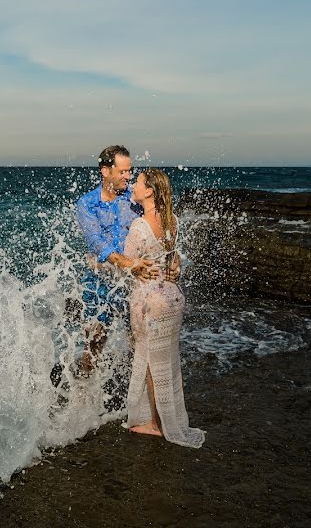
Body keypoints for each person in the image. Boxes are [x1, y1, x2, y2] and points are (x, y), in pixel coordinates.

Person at [73, 145, 175, 376]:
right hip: (101, 282)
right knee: (94, 344)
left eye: (130, 172)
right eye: (122, 172)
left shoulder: (134, 196)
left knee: (138, 342)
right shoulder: (87, 204)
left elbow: (160, 226)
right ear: (105, 171)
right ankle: (84, 397)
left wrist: (172, 260)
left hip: (134, 283)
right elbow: (96, 242)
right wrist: (128, 263)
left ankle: (136, 396)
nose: (128, 177)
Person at [123, 168, 204, 448]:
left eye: (138, 182)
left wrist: (99, 261)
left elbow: (128, 265)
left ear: (149, 192)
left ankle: (157, 425)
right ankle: (168, 419)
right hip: (173, 297)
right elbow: (170, 259)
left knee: (149, 365)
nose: (133, 184)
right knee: (168, 362)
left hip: (150, 302)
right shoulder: (173, 221)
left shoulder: (139, 226)